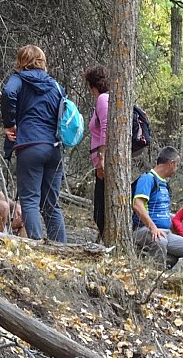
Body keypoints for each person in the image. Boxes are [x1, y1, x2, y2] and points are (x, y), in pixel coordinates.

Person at [1, 45, 66, 242]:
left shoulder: (18, 79)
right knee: (51, 204)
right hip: (54, 148)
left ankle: (37, 244)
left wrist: (10, 124)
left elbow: (8, 93)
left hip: (29, 145)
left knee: (30, 200)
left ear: (21, 61)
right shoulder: (55, 86)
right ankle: (61, 248)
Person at [132, 146, 183, 266]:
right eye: (177, 165)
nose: (176, 169)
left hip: (166, 233)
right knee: (160, 242)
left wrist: (182, 232)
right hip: (144, 230)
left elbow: (163, 212)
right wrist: (153, 227)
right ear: (172, 163)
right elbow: (138, 205)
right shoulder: (147, 179)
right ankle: (155, 274)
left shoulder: (164, 185)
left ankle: (175, 273)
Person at [84, 65, 109, 240]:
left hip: (104, 163)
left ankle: (106, 243)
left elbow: (106, 128)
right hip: (100, 162)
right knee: (100, 209)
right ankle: (103, 240)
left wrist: (102, 158)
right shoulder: (107, 99)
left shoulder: (102, 99)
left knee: (100, 212)